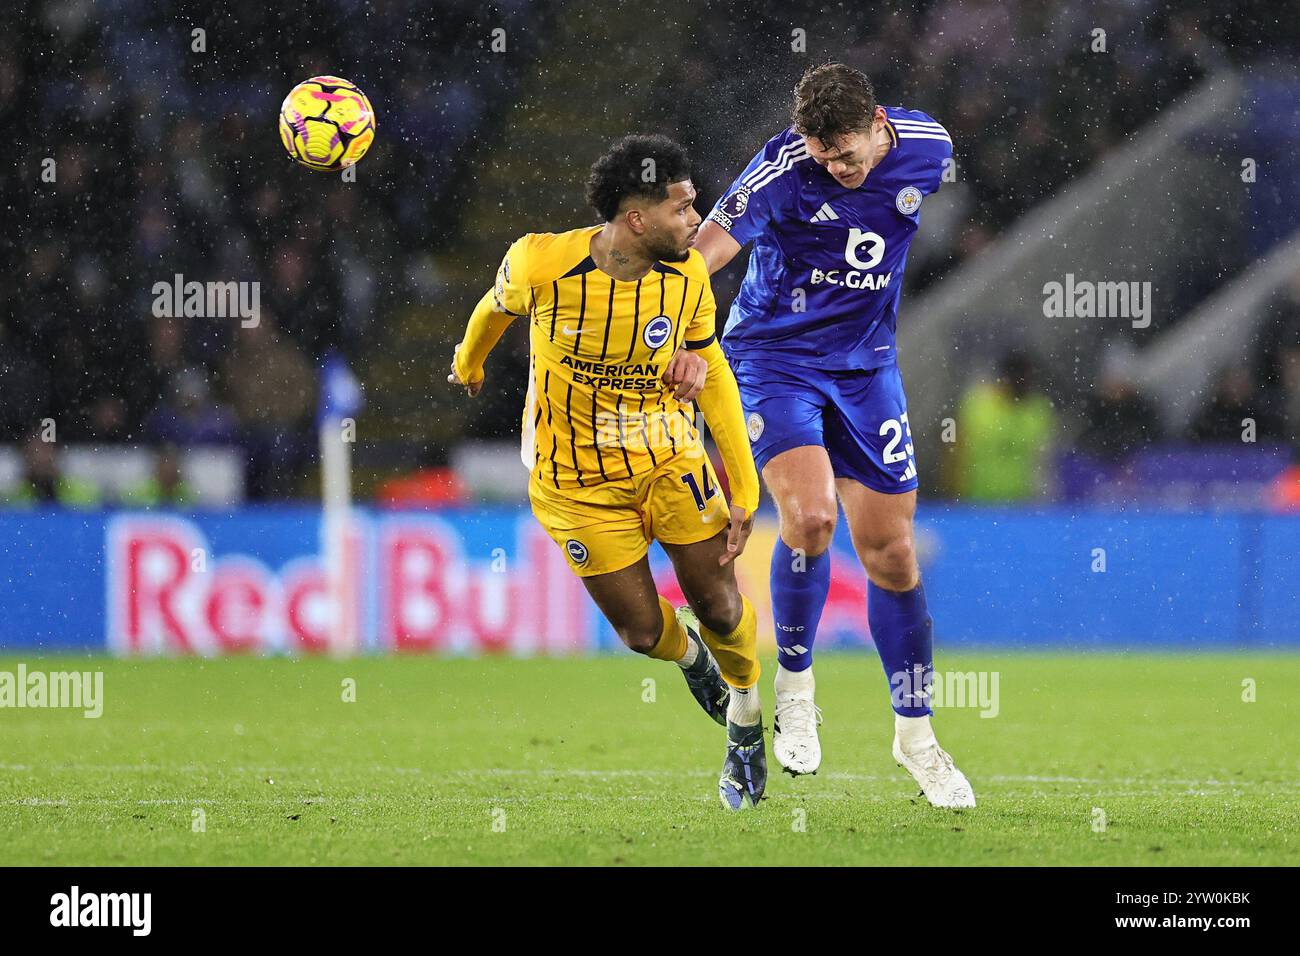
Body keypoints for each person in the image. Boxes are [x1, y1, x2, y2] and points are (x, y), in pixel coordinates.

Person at [448, 135, 769, 810]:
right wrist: (470, 360)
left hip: (667, 458)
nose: (695, 220)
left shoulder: (686, 279)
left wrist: (744, 486)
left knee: (716, 599)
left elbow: (713, 378)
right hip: (574, 483)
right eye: (682, 207)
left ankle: (745, 721)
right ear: (636, 219)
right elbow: (491, 309)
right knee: (642, 632)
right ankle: (691, 662)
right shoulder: (541, 261)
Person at [693, 62, 974, 806]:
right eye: (823, 158)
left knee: (891, 551)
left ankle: (917, 738)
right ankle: (795, 686)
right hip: (773, 358)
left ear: (879, 124)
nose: (837, 170)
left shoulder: (928, 145)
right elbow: (710, 244)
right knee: (811, 518)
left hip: (867, 369)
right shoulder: (785, 165)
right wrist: (671, 312)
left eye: (846, 154)